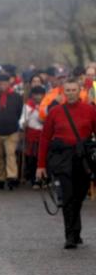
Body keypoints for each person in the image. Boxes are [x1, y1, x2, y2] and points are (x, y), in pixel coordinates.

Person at [37, 77, 96, 249]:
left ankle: (76, 231)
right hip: (62, 159)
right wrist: (41, 166)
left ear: (79, 92)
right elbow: (45, 138)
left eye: (74, 90)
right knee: (68, 195)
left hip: (82, 158)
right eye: (68, 90)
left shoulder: (90, 110)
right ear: (63, 92)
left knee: (79, 196)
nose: (71, 93)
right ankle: (70, 235)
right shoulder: (55, 112)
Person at [0, 74, 23, 190]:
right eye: (0, 83)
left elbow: (19, 112)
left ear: (9, 83)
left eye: (5, 83)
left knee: (10, 154)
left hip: (11, 131)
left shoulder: (16, 96)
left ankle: (12, 177)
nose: (3, 86)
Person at [20, 85, 46, 188]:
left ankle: (43, 179)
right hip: (31, 135)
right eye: (36, 94)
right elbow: (22, 119)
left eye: (40, 94)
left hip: (43, 135)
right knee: (32, 159)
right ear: (32, 95)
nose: (38, 97)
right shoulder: (27, 106)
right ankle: (33, 179)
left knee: (43, 159)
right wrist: (23, 123)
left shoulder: (46, 105)